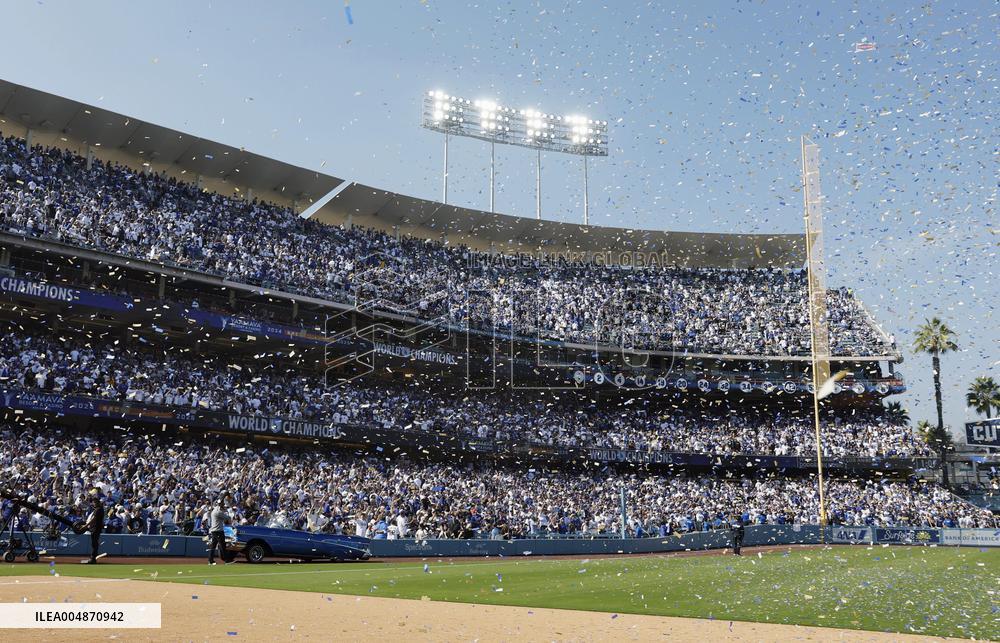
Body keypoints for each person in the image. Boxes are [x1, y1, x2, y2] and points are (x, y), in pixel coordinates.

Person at [82, 490, 104, 564]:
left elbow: (93, 519)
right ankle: (93, 557)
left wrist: (85, 526)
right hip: (95, 528)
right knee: (94, 543)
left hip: (96, 528)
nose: (93, 504)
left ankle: (93, 558)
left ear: (97, 503)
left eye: (94, 502)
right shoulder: (98, 509)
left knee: (94, 544)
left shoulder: (98, 509)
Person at [208, 496, 231, 565]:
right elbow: (227, 518)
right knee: (222, 545)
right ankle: (226, 560)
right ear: (220, 504)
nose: (223, 505)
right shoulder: (218, 512)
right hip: (218, 530)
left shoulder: (215, 510)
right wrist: (226, 511)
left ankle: (210, 560)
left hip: (215, 530)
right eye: (222, 504)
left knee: (213, 546)